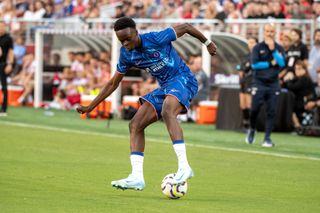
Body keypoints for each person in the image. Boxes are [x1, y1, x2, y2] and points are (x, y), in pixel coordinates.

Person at [77, 17, 217, 190]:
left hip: (184, 79)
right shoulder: (126, 54)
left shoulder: (156, 38)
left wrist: (207, 42)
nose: (126, 43)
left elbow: (187, 27)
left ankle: (184, 166)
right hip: (166, 87)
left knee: (167, 111)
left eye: (128, 38)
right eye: (122, 41)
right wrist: (91, 106)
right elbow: (113, 83)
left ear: (136, 32)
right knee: (135, 124)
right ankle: (136, 177)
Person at [246, 23, 286, 147]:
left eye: (272, 31)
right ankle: (252, 128)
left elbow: (281, 63)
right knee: (254, 109)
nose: (270, 34)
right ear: (264, 32)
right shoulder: (258, 47)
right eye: (268, 31)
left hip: (273, 83)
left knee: (272, 111)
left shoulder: (279, 48)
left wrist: (273, 50)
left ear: (275, 33)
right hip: (259, 82)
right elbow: (254, 65)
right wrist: (269, 63)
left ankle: (267, 138)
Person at [238, 37, 257, 129]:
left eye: (253, 42)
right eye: (249, 43)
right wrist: (241, 76)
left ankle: (252, 125)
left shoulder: (258, 56)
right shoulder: (246, 56)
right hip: (244, 81)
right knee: (243, 104)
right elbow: (241, 68)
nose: (251, 44)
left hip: (252, 81)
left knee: (250, 103)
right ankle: (245, 124)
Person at [0, 22, 14, 116]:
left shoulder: (8, 38)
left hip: (3, 64)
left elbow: (10, 52)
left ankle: (4, 109)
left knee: (4, 86)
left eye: (2, 26)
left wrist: (10, 64)